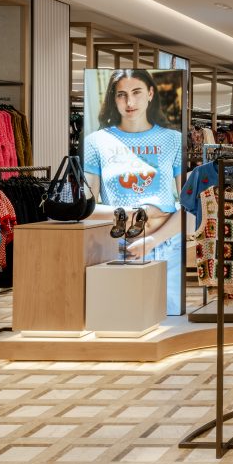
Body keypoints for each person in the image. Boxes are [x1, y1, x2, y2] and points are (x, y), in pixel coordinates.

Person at [84, 69, 183, 315]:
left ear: (150, 94)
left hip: (166, 244)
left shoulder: (173, 140)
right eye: (121, 95)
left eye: (137, 92)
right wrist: (134, 212)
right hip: (118, 245)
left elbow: (189, 205)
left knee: (169, 318)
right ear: (113, 99)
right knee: (119, 317)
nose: (130, 102)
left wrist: (153, 240)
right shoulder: (96, 142)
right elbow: (86, 208)